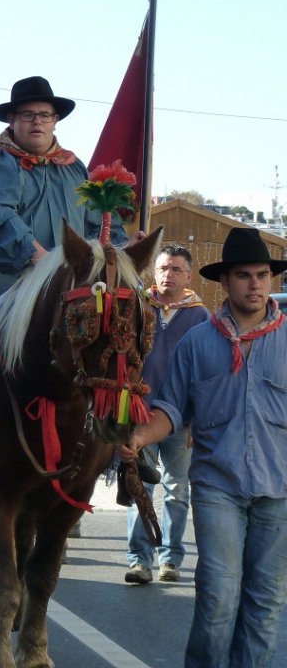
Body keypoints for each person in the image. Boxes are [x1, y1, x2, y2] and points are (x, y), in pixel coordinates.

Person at [120, 227, 287, 668]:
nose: (255, 284)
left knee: (266, 603)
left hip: (280, 492)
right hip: (219, 488)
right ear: (224, 282)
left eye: (263, 275)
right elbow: (171, 409)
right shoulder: (199, 342)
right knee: (218, 596)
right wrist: (139, 436)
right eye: (244, 275)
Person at [0, 76, 127, 406]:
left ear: (55, 120)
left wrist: (122, 249)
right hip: (3, 271)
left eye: (44, 114)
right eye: (28, 114)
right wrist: (40, 258)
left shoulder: (76, 169)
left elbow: (101, 221)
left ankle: (125, 425)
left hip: (71, 275)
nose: (37, 121)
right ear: (12, 120)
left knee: (124, 323)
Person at [124, 245, 209, 585]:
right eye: (162, 268)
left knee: (177, 490)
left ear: (188, 275)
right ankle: (139, 561)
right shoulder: (140, 307)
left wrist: (198, 420)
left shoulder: (200, 316)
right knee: (138, 488)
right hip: (141, 415)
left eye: (175, 269)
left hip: (181, 420)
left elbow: (205, 373)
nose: (167, 274)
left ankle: (170, 560)